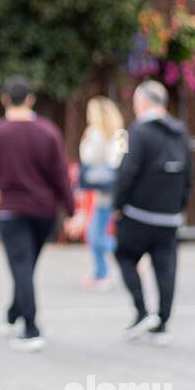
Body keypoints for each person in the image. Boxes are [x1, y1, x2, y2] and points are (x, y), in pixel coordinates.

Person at [0, 75, 76, 351]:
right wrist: (71, 210)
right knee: (26, 268)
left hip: (12, 212)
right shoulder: (48, 132)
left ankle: (31, 329)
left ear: (5, 99)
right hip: (44, 212)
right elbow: (61, 176)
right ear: (30, 99)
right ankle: (13, 314)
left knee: (22, 268)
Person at [113, 80, 192, 343]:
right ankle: (162, 325)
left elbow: (127, 171)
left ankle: (142, 311)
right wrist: (179, 207)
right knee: (165, 267)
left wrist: (117, 204)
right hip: (169, 217)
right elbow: (189, 176)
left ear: (144, 102)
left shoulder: (138, 131)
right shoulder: (180, 132)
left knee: (124, 256)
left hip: (138, 214)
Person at [78, 96, 124, 288]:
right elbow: (119, 160)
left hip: (107, 191)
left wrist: (87, 139)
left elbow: (88, 157)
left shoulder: (96, 133)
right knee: (95, 232)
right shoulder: (121, 135)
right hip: (109, 189)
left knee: (95, 234)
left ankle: (106, 269)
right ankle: (100, 272)